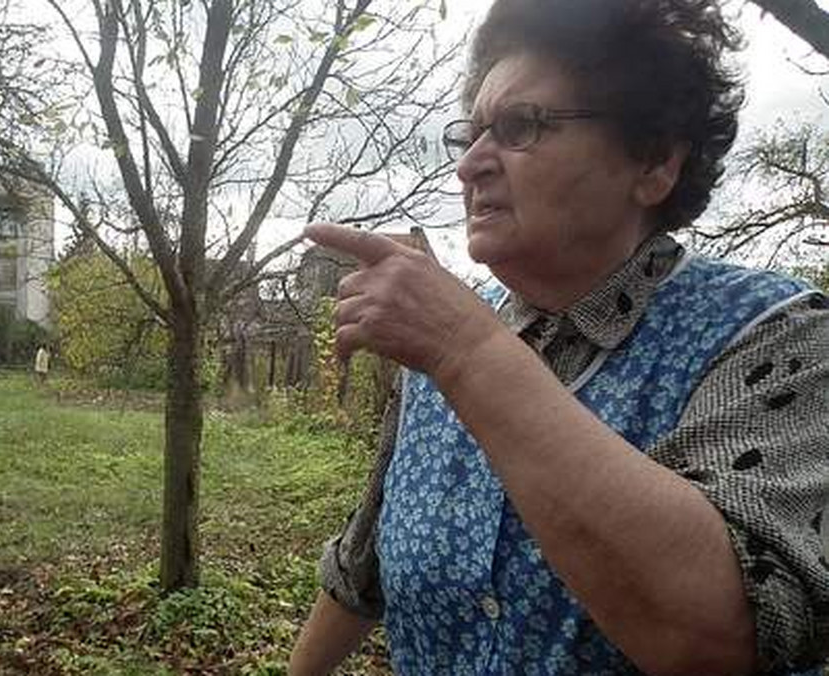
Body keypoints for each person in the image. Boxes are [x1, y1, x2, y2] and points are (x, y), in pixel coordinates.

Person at [288, 0, 829, 674]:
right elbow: (361, 566)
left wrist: (469, 352)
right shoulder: (433, 346)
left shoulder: (777, 337)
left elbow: (720, 635)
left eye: (520, 126)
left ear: (654, 161)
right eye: (472, 135)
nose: (470, 166)